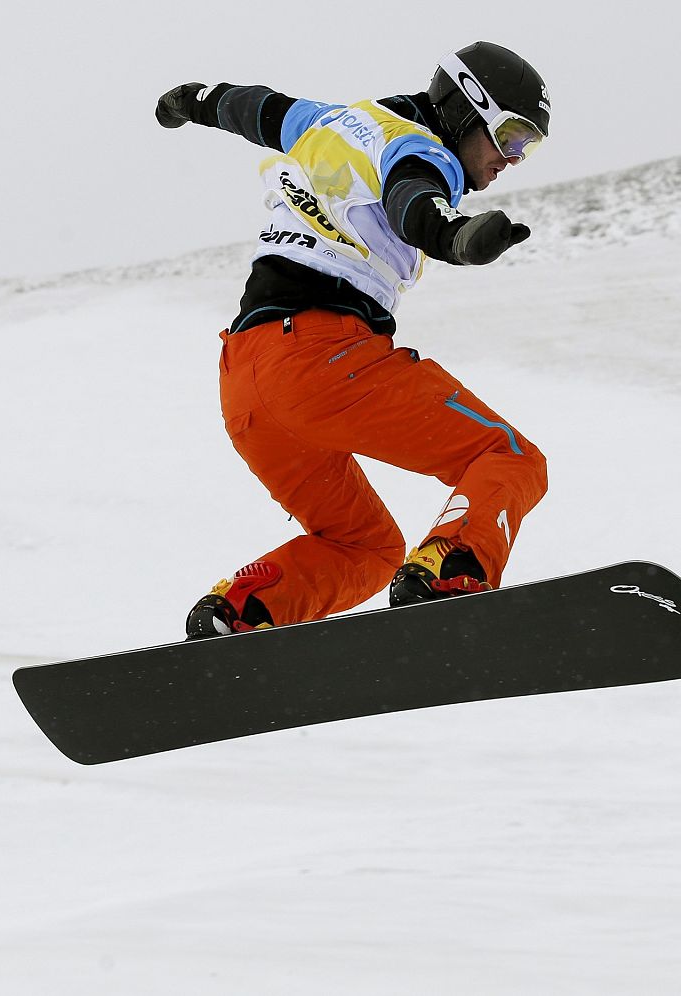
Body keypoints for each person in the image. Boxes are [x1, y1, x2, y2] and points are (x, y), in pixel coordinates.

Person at [153, 42, 553, 638]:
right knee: (511, 459)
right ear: (470, 107)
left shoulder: (331, 122)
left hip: (247, 385)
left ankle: (241, 612)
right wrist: (455, 237)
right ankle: (452, 570)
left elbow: (257, 109)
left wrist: (196, 101)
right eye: (514, 137)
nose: (514, 160)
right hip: (321, 360)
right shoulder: (423, 150)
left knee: (362, 547)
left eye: (530, 148)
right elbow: (412, 201)